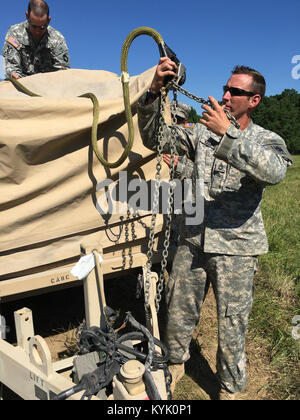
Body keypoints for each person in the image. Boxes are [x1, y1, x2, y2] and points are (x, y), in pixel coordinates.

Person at [137, 57, 293, 399]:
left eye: (234, 91)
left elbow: (276, 172)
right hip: (192, 238)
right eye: (225, 87)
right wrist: (152, 93)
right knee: (179, 310)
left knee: (232, 322)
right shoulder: (202, 134)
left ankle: (229, 385)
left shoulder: (266, 139)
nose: (225, 95)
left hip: (236, 248)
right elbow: (156, 138)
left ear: (253, 100)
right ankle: (175, 364)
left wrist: (229, 136)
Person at [2, 0, 70, 79]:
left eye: (42, 27)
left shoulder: (57, 39)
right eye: (34, 26)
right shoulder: (15, 33)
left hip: (50, 84)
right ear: (27, 16)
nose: (37, 31)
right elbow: (11, 66)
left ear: (49, 20)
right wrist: (15, 75)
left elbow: (63, 69)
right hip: (22, 82)